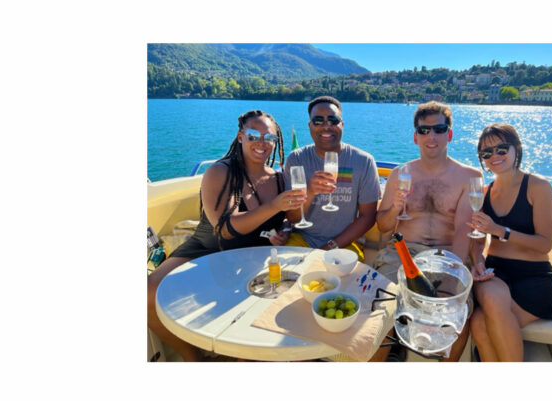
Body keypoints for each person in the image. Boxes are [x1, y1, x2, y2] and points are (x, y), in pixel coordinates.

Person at [147, 110, 307, 361]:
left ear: (276, 143)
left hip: (253, 253)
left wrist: (282, 230)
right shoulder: (221, 172)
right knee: (149, 292)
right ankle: (193, 359)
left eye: (269, 137)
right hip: (208, 247)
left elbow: (288, 220)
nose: (261, 142)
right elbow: (225, 228)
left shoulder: (278, 178)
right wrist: (275, 206)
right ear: (241, 136)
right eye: (254, 135)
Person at [373, 101, 481, 361]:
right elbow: (384, 227)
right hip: (402, 253)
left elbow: (462, 231)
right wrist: (394, 208)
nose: (431, 136)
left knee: (458, 314)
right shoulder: (400, 174)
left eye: (439, 129)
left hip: (448, 256)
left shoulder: (469, 176)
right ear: (415, 137)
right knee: (380, 308)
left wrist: (451, 279)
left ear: (449, 134)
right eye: (424, 130)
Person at [467, 123, 552, 362]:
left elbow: (544, 244)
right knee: (485, 306)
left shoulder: (538, 187)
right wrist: (477, 261)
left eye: (501, 148)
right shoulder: (484, 192)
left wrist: (500, 230)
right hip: (496, 272)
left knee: (480, 322)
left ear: (516, 148)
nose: (494, 156)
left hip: (533, 278)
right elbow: (478, 241)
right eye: (486, 153)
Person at [283, 96, 380, 262]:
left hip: (345, 242)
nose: (326, 126)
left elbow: (368, 216)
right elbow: (293, 218)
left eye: (333, 120)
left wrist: (330, 246)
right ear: (310, 126)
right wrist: (310, 192)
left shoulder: (363, 161)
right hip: (302, 239)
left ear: (342, 124)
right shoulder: (297, 159)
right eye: (318, 121)